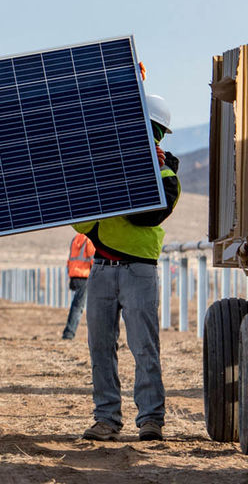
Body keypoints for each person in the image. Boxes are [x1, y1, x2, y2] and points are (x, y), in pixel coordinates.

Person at [76, 94, 180, 443]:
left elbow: (146, 215)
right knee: (100, 348)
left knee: (144, 348)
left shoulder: (166, 177)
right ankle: (106, 419)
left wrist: (134, 170)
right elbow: (81, 223)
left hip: (139, 272)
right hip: (101, 270)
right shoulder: (103, 169)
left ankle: (151, 420)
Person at [62, 233, 95, 340]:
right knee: (78, 306)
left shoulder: (76, 239)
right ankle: (69, 333)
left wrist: (71, 275)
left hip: (74, 275)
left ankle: (69, 332)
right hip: (84, 276)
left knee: (76, 305)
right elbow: (94, 260)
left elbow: (70, 260)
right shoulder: (89, 240)